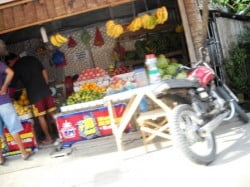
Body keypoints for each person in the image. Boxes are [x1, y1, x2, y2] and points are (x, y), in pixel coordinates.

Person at [5, 53, 57, 145]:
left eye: (9, 64)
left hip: (34, 95)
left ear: (12, 60)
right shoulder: (32, 58)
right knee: (52, 113)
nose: (10, 66)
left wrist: (10, 96)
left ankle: (49, 138)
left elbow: (12, 85)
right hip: (45, 90)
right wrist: (46, 85)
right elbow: (44, 71)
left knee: (41, 117)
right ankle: (61, 134)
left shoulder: (16, 67)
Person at [0, 39, 33, 165]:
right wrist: (4, 87)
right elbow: (10, 72)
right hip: (3, 102)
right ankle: (23, 153)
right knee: (13, 128)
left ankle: (0, 158)